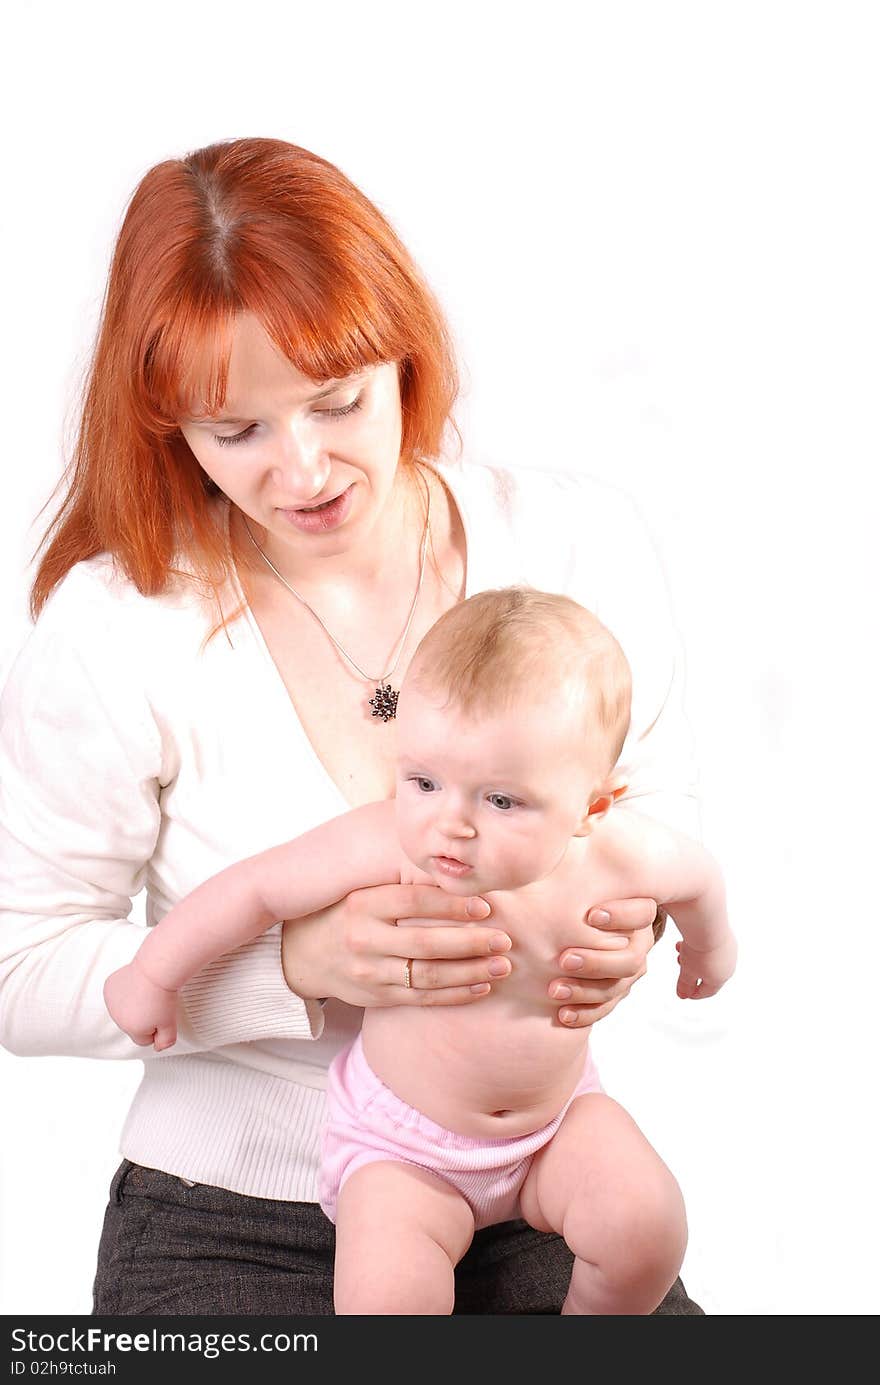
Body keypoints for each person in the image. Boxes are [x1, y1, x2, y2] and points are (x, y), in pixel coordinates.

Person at [0, 136, 705, 1315]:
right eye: (237, 432)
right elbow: (15, 966)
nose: (304, 470)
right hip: (227, 1224)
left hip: (530, 1174)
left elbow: (651, 810)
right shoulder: (119, 623)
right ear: (168, 422)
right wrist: (293, 971)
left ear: (404, 357)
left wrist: (633, 925)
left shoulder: (575, 544)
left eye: (339, 400)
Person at [104, 587, 736, 1314]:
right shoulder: (392, 845)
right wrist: (154, 973)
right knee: (389, 1299)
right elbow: (255, 891)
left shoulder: (623, 855)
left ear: (594, 806)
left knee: (647, 1225)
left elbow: (701, 881)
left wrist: (707, 954)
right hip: (401, 1150)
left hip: (553, 1128)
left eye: (500, 800)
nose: (451, 825)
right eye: (425, 781)